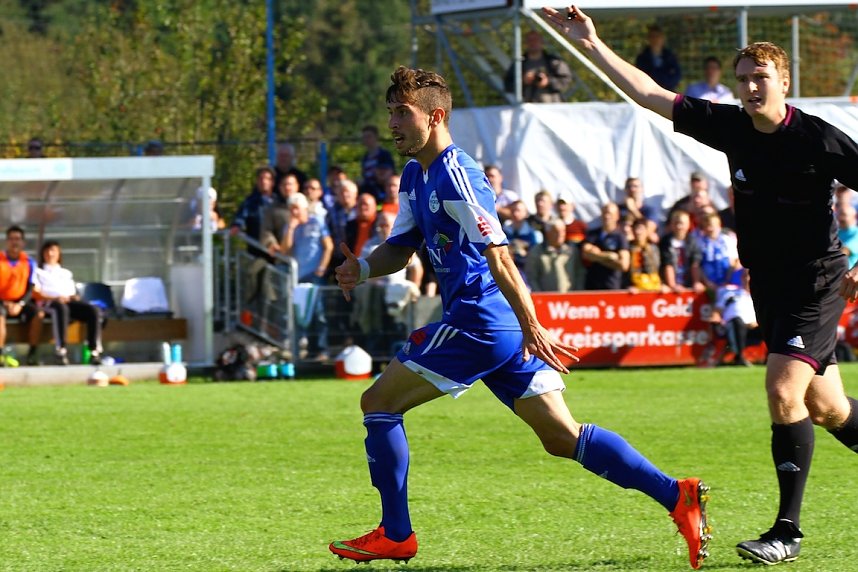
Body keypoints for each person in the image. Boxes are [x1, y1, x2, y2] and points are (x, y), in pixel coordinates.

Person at [328, 65, 710, 569]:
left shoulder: (457, 174)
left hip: (480, 322)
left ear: (435, 116)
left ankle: (396, 534)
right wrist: (361, 267)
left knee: (378, 402)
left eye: (403, 113)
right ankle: (676, 495)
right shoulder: (416, 175)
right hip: (498, 327)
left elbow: (501, 255)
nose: (393, 123)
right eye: (391, 112)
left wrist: (532, 324)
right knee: (562, 437)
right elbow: (401, 248)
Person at [544, 5, 858, 565]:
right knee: (826, 407)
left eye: (760, 77)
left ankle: (787, 532)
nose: (750, 87)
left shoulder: (818, 138)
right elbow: (647, 93)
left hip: (816, 281)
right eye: (742, 79)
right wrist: (590, 43)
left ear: (785, 81)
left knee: (783, 391)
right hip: (770, 285)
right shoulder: (731, 125)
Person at [32, 241, 104, 365]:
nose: (50, 254)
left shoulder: (66, 273)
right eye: (47, 251)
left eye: (53, 250)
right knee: (60, 308)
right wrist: (55, 298)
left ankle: (94, 351)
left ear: (59, 254)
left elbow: (71, 292)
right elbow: (36, 293)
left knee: (93, 310)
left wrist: (73, 297)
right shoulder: (38, 272)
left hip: (67, 302)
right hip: (48, 303)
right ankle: (61, 351)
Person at [280, 193, 333, 361]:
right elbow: (284, 251)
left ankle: (322, 349)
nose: (294, 212)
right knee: (303, 314)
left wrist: (322, 267)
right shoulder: (289, 227)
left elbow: (328, 246)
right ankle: (309, 350)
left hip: (315, 275)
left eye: (296, 208)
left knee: (319, 312)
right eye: (291, 209)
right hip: (298, 277)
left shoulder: (317, 222)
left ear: (304, 208)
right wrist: (291, 228)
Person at [0, 226, 40, 367]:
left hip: (21, 301)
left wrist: (20, 304)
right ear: (6, 241)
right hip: (1, 301)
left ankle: (32, 354)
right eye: (11, 239)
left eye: (17, 239)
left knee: (38, 314)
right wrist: (5, 303)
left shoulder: (29, 262)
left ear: (23, 242)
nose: (14, 242)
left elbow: (31, 287)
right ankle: (0, 354)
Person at [504, 30, 572, 103]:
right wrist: (523, 81)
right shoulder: (519, 63)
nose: (533, 42)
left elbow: (566, 79)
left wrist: (548, 81)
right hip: (527, 105)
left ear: (542, 42)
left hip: (553, 105)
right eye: (530, 40)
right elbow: (507, 85)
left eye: (536, 40)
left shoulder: (554, 61)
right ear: (525, 43)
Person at [581, 202, 630, 290]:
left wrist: (596, 256)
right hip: (591, 287)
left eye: (610, 213)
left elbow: (623, 265)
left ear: (617, 216)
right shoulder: (593, 234)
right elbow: (585, 253)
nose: (607, 216)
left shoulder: (621, 237)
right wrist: (609, 256)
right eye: (604, 213)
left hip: (611, 287)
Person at [525, 218, 579, 292]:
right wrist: (540, 295)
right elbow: (531, 278)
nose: (560, 234)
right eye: (556, 231)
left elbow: (579, 273)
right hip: (545, 297)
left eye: (563, 231)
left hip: (571, 296)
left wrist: (578, 292)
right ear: (548, 233)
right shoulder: (536, 252)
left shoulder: (571, 251)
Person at [659, 210, 704, 294]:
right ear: (671, 225)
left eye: (681, 223)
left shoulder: (692, 241)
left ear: (688, 225)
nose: (679, 226)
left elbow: (695, 263)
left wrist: (696, 282)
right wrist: (673, 285)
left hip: (688, 281)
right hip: (671, 283)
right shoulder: (665, 242)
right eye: (676, 223)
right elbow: (667, 264)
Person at [634, 24, 681, 91]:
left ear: (663, 38)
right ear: (648, 39)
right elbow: (640, 78)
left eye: (657, 36)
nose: (655, 39)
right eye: (652, 36)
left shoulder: (671, 57)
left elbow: (676, 77)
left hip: (668, 91)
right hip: (648, 92)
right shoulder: (642, 58)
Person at [360, 125, 396, 201]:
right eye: (364, 137)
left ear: (376, 137)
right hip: (368, 188)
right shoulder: (365, 157)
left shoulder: (384, 154)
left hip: (381, 190)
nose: (366, 139)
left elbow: (389, 173)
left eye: (369, 136)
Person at [627, 218, 662, 293]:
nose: (638, 232)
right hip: (634, 288)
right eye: (636, 229)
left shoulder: (653, 248)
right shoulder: (628, 248)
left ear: (646, 231)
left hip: (653, 286)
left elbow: (657, 269)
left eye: (641, 229)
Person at [838, 204, 858, 269]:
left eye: (844, 215)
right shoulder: (837, 232)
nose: (840, 218)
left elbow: (845, 252)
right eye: (839, 214)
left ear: (854, 217)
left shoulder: (856, 233)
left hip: (849, 272)